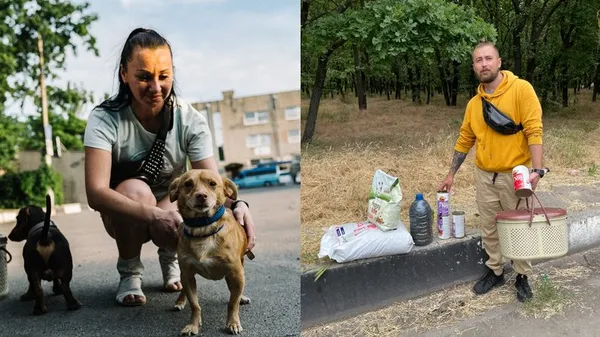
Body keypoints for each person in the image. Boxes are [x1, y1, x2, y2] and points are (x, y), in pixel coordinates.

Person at [83, 28, 256, 306]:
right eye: (143, 77)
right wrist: (153, 215)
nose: (155, 87)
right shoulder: (105, 118)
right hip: (126, 209)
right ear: (124, 74)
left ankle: (172, 260)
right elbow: (95, 192)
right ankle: (129, 273)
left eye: (163, 76)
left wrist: (241, 206)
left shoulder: (190, 119)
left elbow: (213, 183)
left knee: (179, 210)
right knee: (136, 191)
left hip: (171, 205)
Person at [437, 41, 544, 302]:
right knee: (490, 228)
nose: (483, 64)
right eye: (478, 60)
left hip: (515, 175)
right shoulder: (474, 104)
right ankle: (495, 271)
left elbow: (534, 130)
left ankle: (522, 276)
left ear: (499, 62)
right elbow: (465, 140)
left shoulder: (521, 90)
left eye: (488, 58)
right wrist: (451, 174)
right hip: (484, 176)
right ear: (474, 67)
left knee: (519, 227)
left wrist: (537, 170)